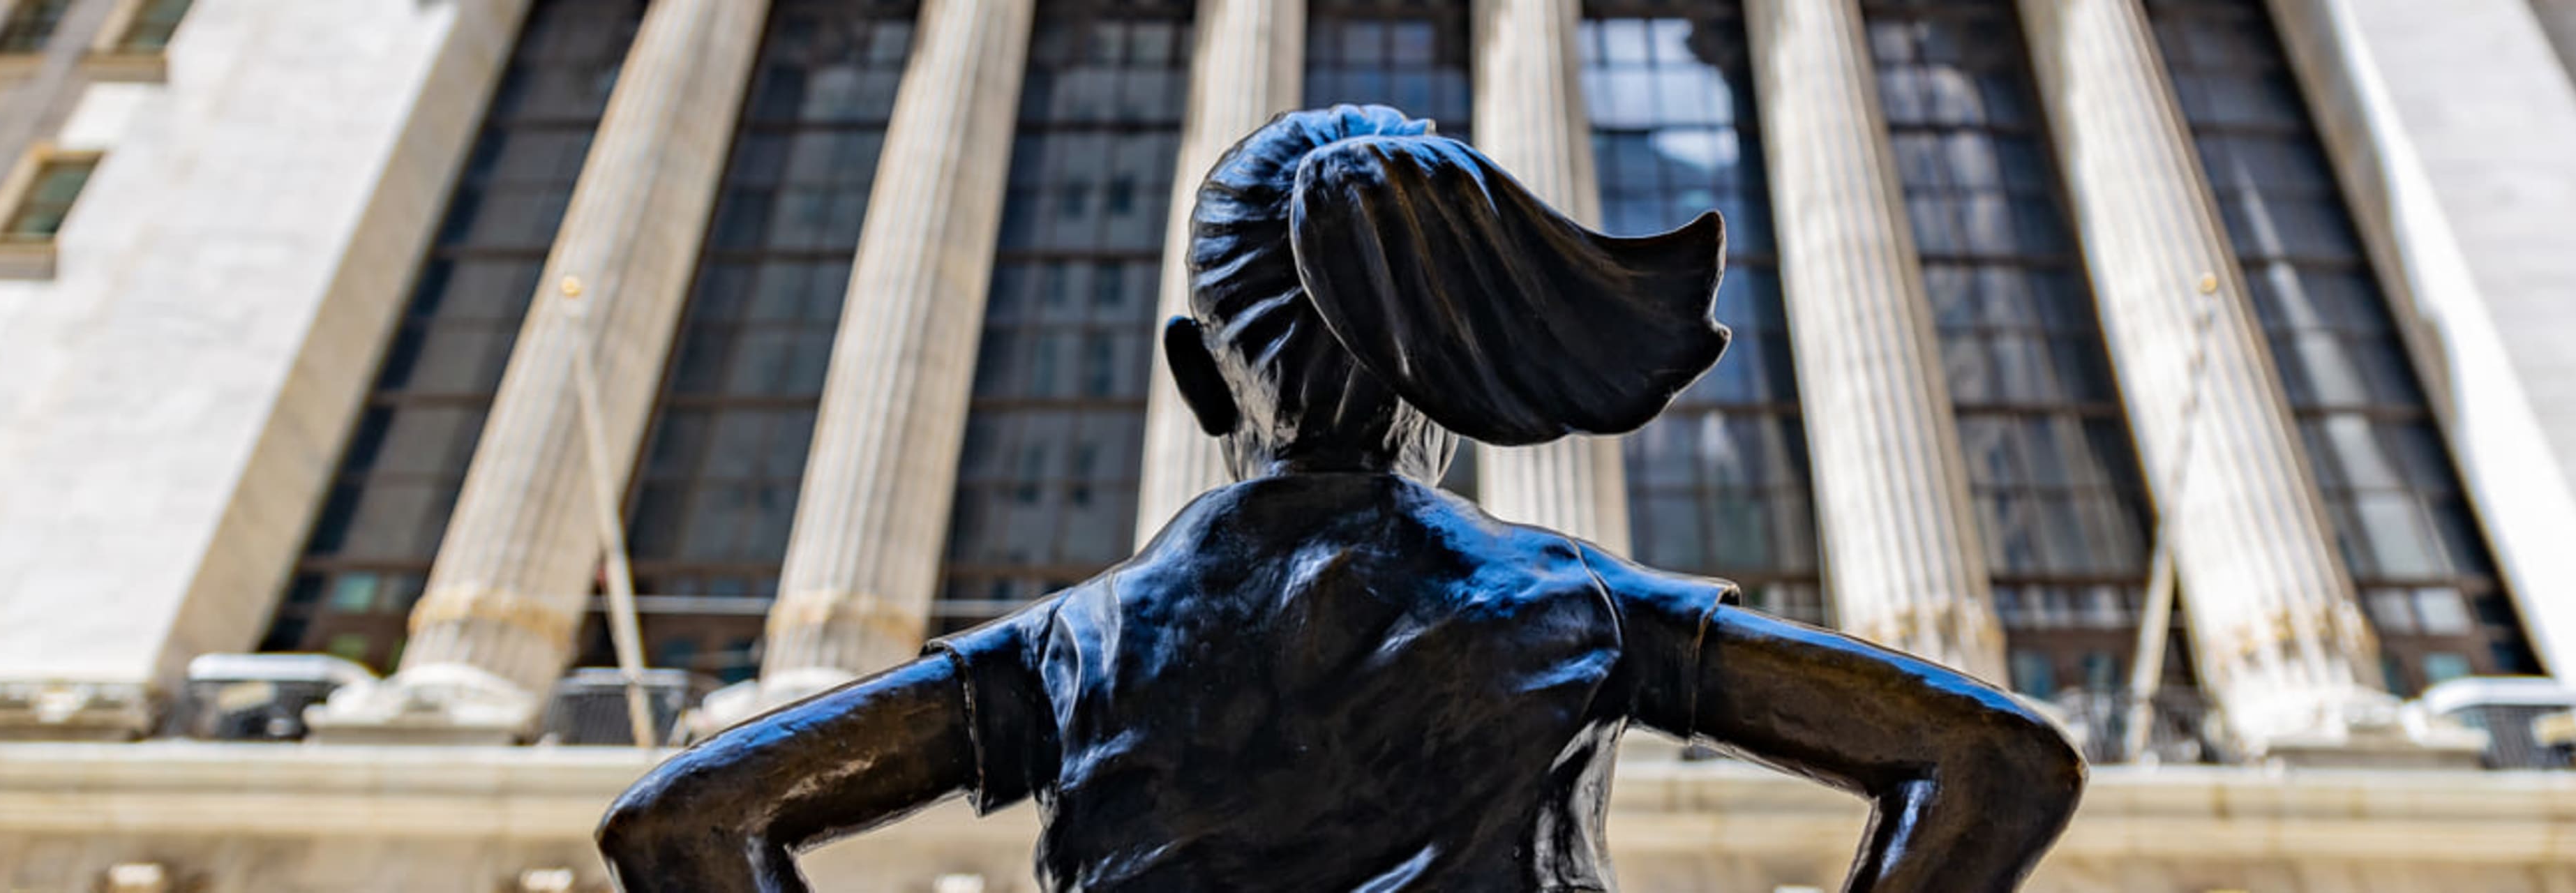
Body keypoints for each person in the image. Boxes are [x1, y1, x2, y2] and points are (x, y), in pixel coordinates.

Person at [597, 105, 2085, 892]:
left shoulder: (1080, 646)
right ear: (1448, 379)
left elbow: (683, 820)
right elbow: (1997, 764)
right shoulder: (1568, 609)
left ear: (1197, 377)